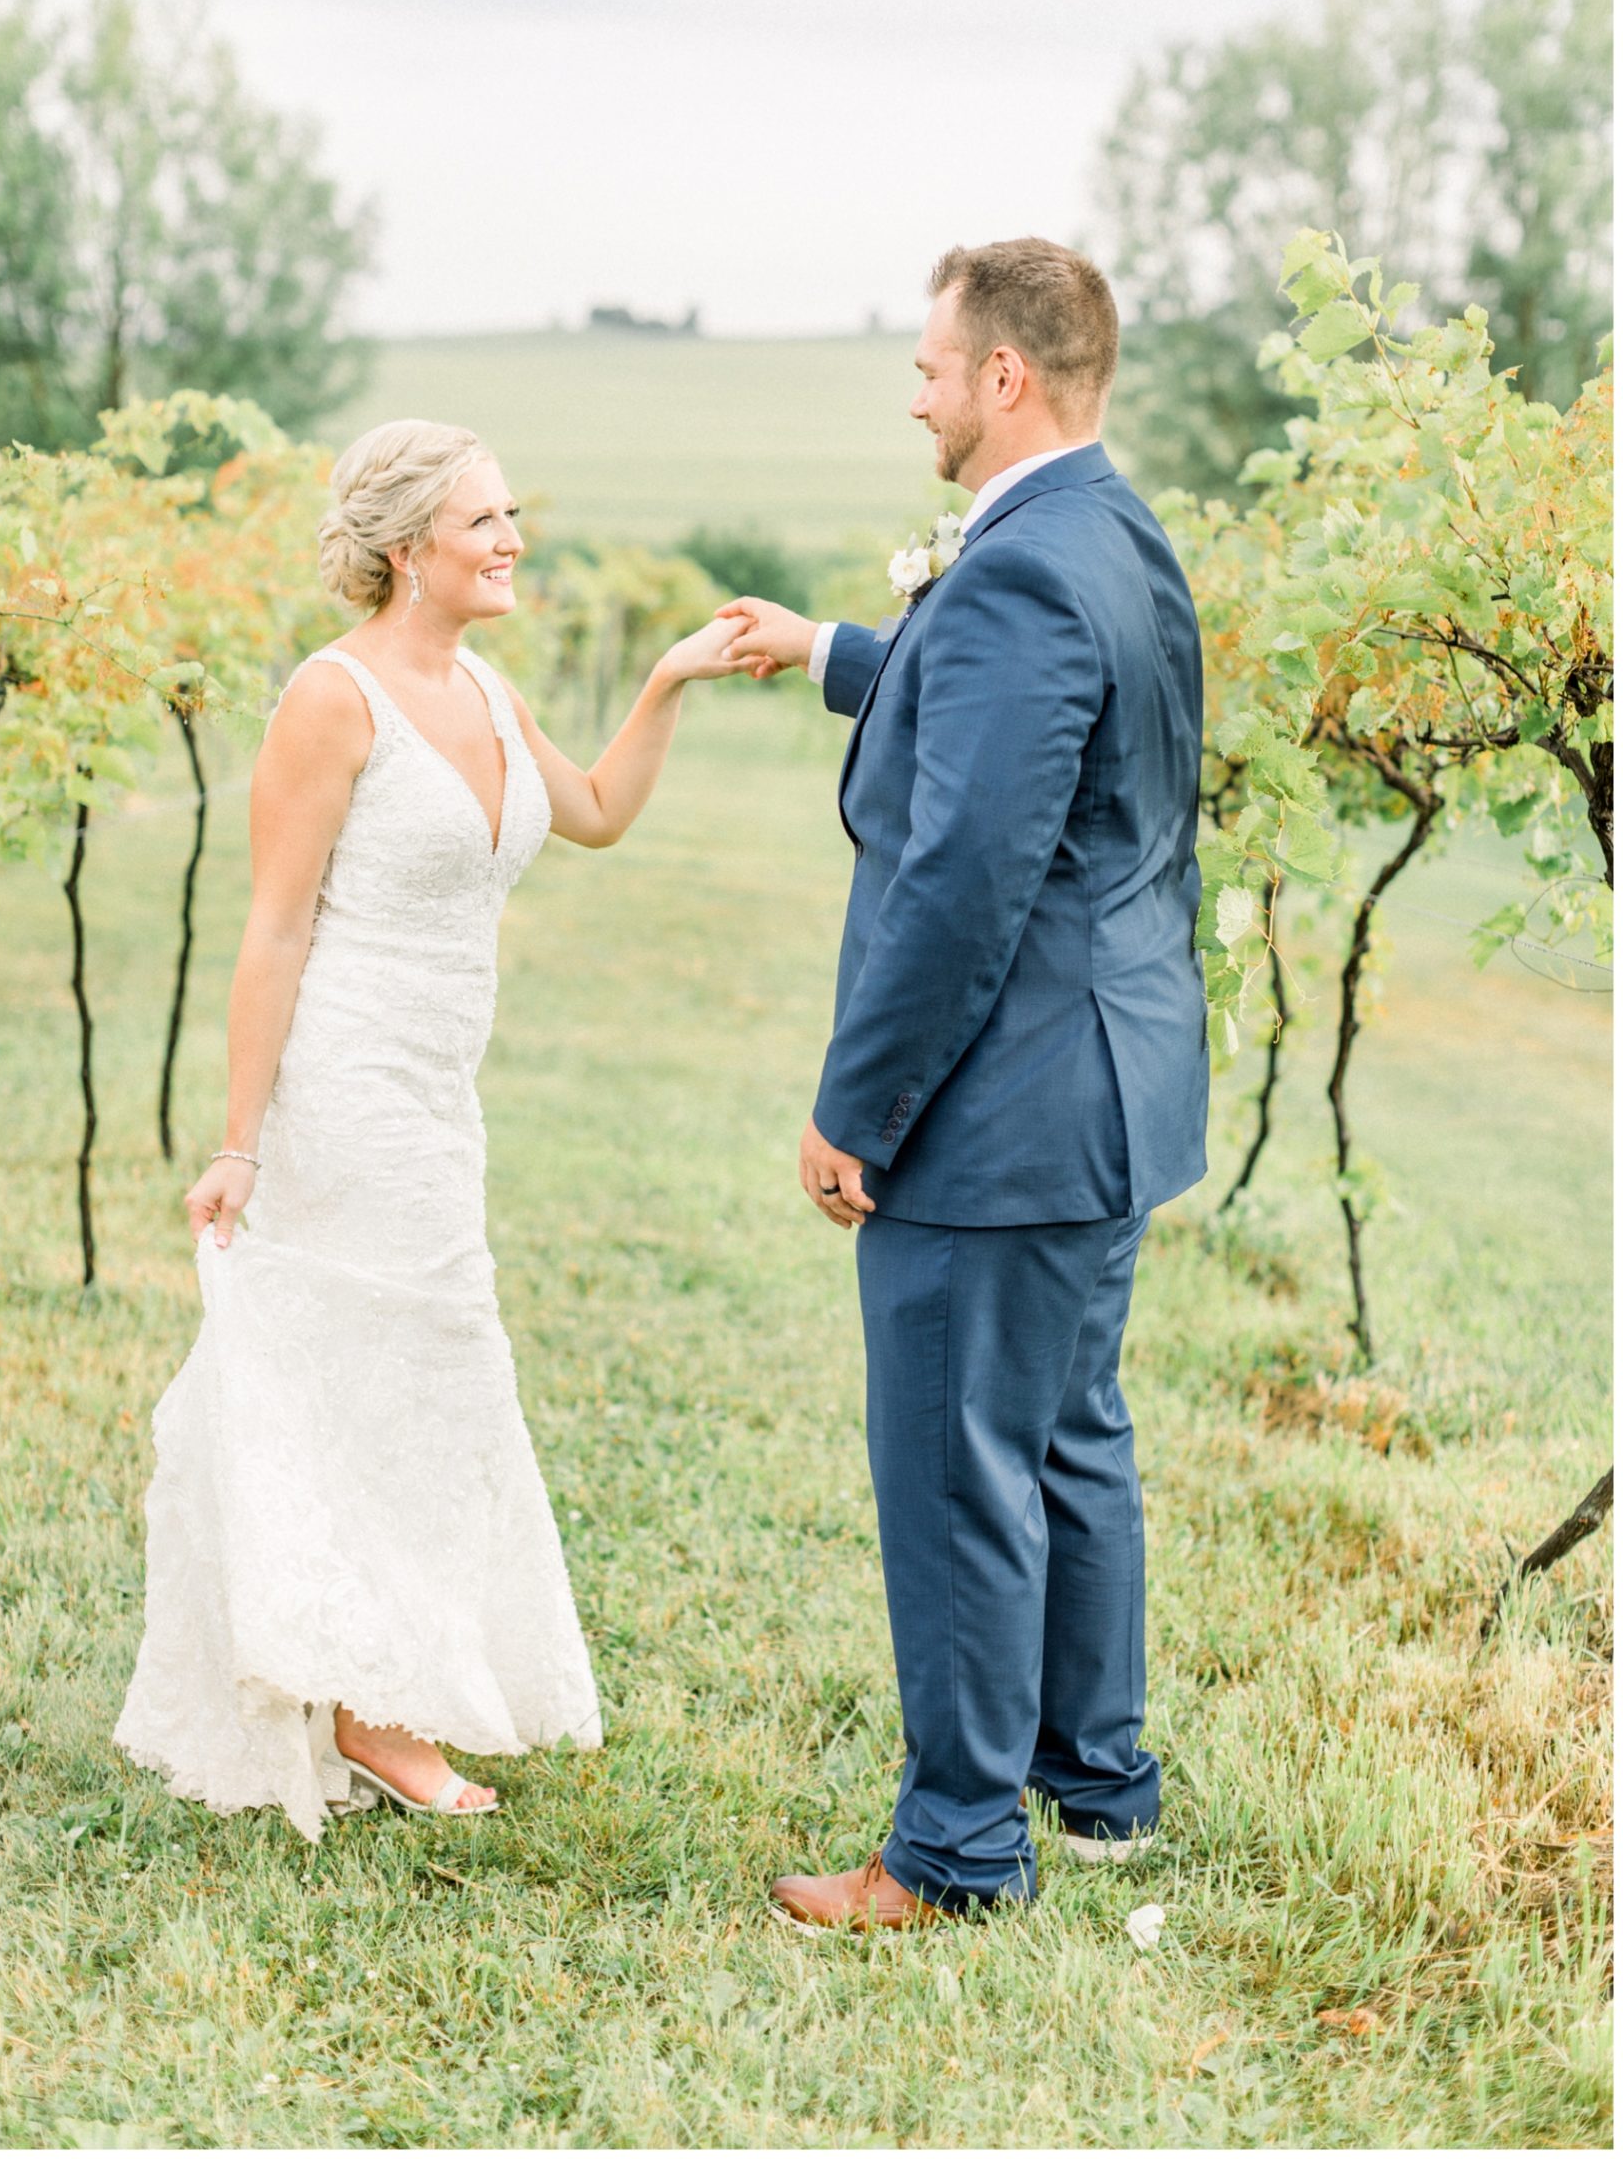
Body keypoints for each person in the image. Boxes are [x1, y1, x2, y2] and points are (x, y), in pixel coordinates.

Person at [115, 418, 744, 1840]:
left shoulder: (491, 687)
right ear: (410, 552)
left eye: (514, 512)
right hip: (343, 1081)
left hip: (441, 1090)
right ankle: (379, 1716)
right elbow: (273, 928)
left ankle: (373, 1677)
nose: (514, 538)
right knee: (409, 1357)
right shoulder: (331, 701)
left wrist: (666, 683)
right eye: (486, 521)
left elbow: (591, 813)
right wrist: (238, 1139)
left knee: (411, 1365)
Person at [719, 238, 1208, 1929]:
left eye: (932, 362)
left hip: (1000, 1115)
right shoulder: (1116, 533)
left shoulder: (1014, 571)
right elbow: (1053, 747)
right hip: (1116, 1089)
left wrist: (860, 1105)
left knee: (955, 1465)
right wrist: (838, 650)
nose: (915, 387)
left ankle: (952, 1851)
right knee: (1071, 1439)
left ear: (1006, 377)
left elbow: (964, 877)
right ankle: (1097, 1791)